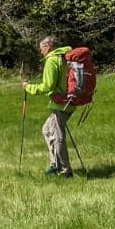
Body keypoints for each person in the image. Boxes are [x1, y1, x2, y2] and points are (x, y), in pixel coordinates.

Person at [22, 35, 74, 177]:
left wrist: (29, 87)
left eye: (42, 48)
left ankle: (64, 171)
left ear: (49, 46)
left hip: (60, 103)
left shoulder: (52, 60)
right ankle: (54, 164)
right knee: (47, 130)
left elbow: (47, 86)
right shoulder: (63, 57)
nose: (40, 51)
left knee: (57, 136)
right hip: (68, 101)